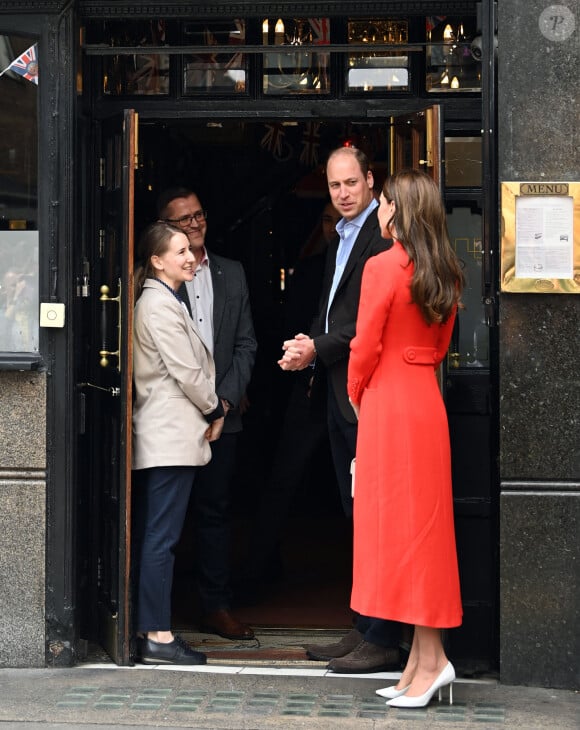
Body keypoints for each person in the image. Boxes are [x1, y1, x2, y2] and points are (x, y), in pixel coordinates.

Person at [278, 146, 403, 673]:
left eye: (352, 183)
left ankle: (383, 636)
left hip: (369, 393)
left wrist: (318, 348)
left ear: (371, 181)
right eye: (335, 186)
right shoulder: (340, 236)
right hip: (338, 390)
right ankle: (364, 625)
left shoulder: (385, 236)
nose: (343, 194)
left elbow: (370, 323)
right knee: (355, 516)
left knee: (376, 518)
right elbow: (336, 311)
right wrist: (313, 340)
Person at [347, 169, 464, 707]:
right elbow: (437, 348)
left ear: (396, 210)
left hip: (389, 405)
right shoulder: (443, 270)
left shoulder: (381, 266)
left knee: (399, 534)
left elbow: (364, 345)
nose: (378, 208)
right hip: (424, 402)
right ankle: (422, 661)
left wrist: (357, 393)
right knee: (425, 535)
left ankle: (432, 661)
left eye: (385, 202)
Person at [157, 187, 257, 641]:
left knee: (215, 513)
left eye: (198, 215)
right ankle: (158, 616)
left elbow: (245, 345)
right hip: (175, 418)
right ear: (165, 229)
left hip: (224, 418)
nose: (194, 224)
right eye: (182, 220)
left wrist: (226, 404)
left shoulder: (232, 273)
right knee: (167, 518)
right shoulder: (156, 280)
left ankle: (216, 606)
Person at [236, 200, 341, 601]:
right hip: (307, 386)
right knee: (283, 478)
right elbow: (292, 328)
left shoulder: (373, 264)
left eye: (338, 221)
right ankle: (258, 568)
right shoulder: (309, 272)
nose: (332, 228)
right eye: (326, 220)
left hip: (351, 388)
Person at [132, 221, 225, 665]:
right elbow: (187, 371)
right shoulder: (158, 305)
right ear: (157, 261)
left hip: (167, 434)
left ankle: (152, 629)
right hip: (168, 435)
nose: (190, 257)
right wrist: (215, 410)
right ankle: (158, 636)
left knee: (159, 536)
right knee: (161, 538)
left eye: (190, 249)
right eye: (180, 251)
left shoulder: (165, 300)